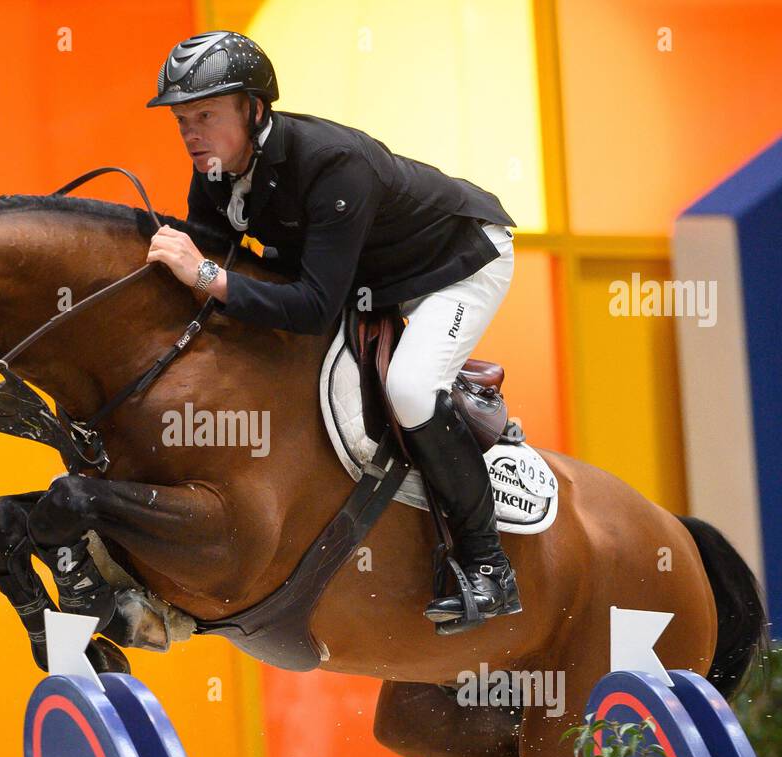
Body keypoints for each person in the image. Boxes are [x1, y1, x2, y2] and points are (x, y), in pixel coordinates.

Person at [144, 31, 520, 632]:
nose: (191, 133)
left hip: (457, 264)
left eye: (206, 115)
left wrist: (207, 273)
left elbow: (311, 306)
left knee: (413, 389)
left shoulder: (332, 166)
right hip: (371, 275)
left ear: (254, 110)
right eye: (182, 119)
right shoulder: (216, 174)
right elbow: (220, 283)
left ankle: (487, 566)